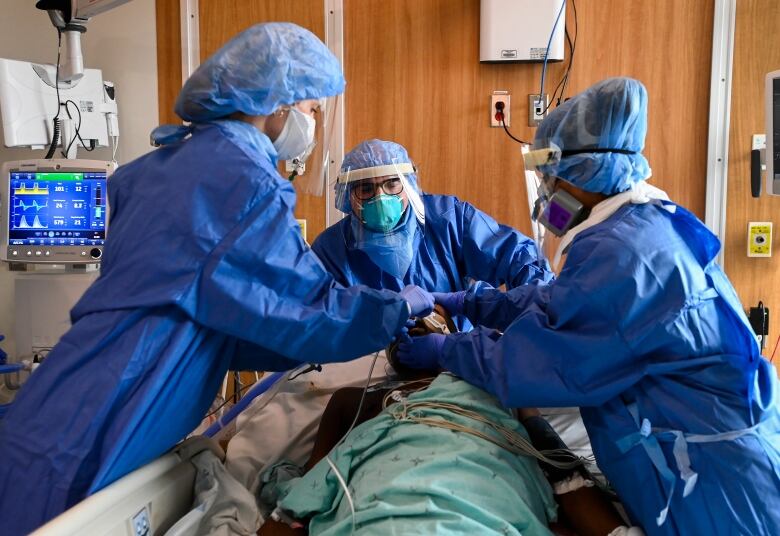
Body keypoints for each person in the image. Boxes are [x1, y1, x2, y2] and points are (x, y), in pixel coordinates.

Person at [0, 23, 433, 534]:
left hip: (69, 387)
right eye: (313, 109)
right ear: (278, 103)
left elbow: (227, 320)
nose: (314, 123)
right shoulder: (244, 177)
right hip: (118, 397)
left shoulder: (154, 169)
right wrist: (396, 307)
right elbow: (307, 314)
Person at [397, 77, 780, 535]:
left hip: (716, 488)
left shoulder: (627, 256)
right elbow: (560, 303)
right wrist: (471, 303)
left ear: (585, 175)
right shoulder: (637, 225)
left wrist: (448, 349)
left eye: (549, 178)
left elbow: (530, 365)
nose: (544, 193)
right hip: (708, 457)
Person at [256, 308, 630, 536]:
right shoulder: (361, 400)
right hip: (383, 499)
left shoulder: (497, 382)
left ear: (456, 333)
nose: (415, 322)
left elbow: (554, 461)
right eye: (404, 320)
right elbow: (311, 485)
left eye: (431, 314)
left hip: (483, 490)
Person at [311, 139, 552, 330]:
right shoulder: (331, 249)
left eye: (392, 184)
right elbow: (316, 318)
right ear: (346, 196)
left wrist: (527, 310)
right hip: (362, 368)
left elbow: (523, 260)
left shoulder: (450, 219)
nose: (381, 198)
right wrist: (381, 317)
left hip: (452, 358)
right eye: (366, 188)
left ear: (409, 184)